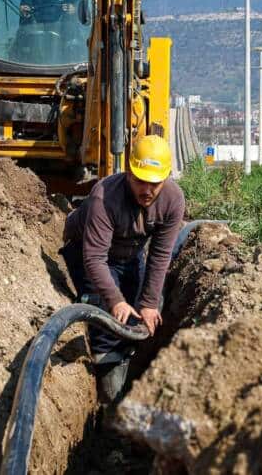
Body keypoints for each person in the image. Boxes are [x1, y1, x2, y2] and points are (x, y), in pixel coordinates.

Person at [60, 135, 186, 404]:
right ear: (128, 172)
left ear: (166, 178)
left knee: (136, 315)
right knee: (107, 319)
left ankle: (128, 374)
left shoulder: (173, 200)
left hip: (130, 254)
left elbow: (161, 254)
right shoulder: (105, 196)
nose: (148, 190)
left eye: (155, 183)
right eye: (141, 181)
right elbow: (94, 257)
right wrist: (114, 300)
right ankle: (109, 402)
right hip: (89, 252)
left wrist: (150, 303)